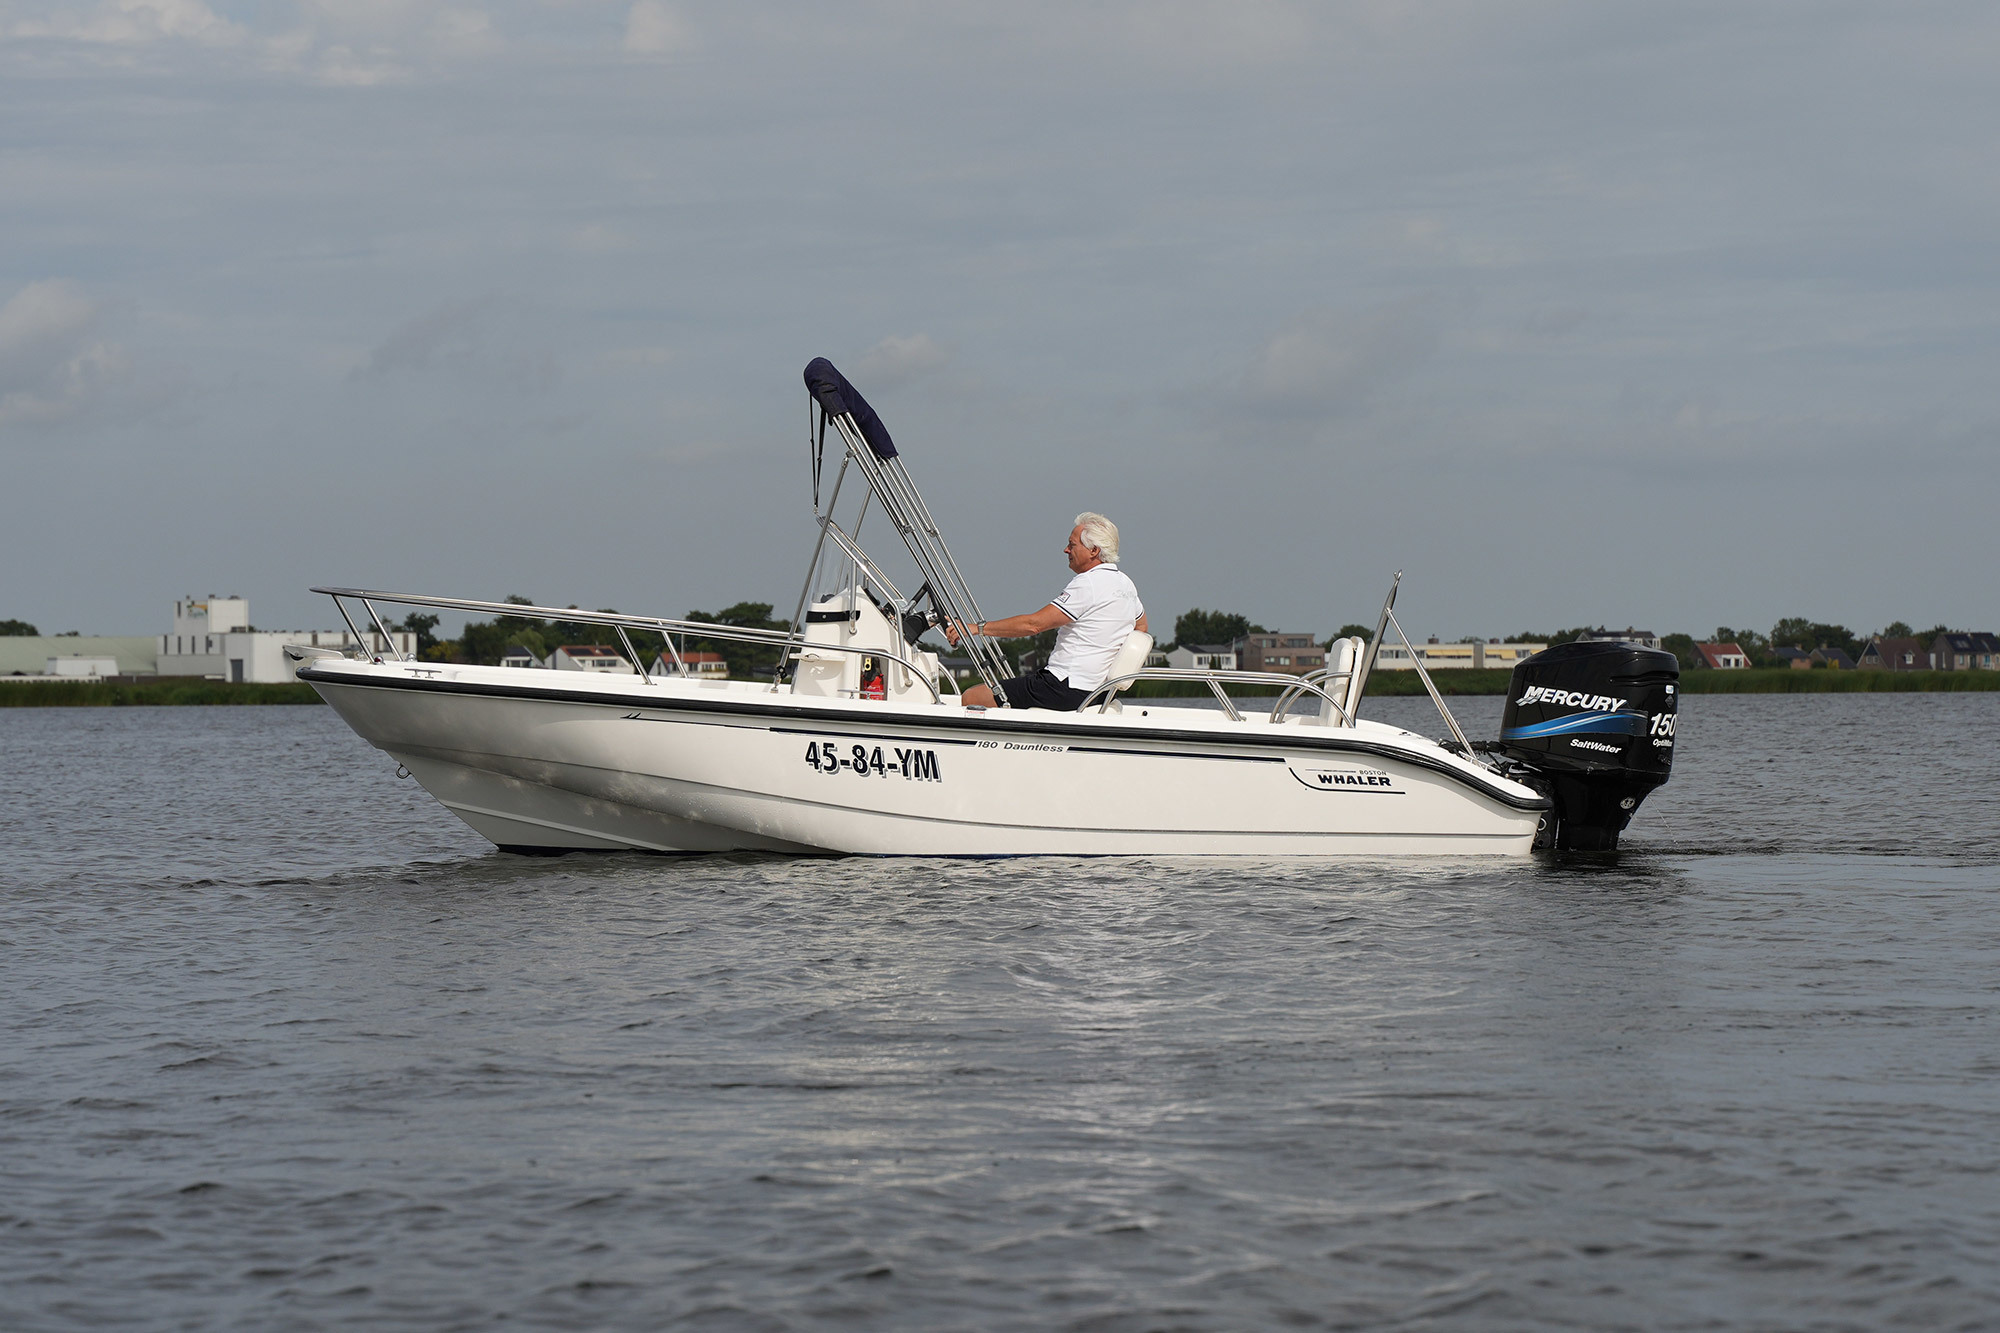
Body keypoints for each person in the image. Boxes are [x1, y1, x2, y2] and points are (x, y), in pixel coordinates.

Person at [949, 512, 1146, 710]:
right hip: (1098, 692)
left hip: (1063, 687)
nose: (1066, 550)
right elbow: (1141, 626)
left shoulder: (1089, 583)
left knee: (973, 697)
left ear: (1093, 550)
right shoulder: (1125, 584)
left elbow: (1033, 625)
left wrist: (974, 628)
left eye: (1072, 544)